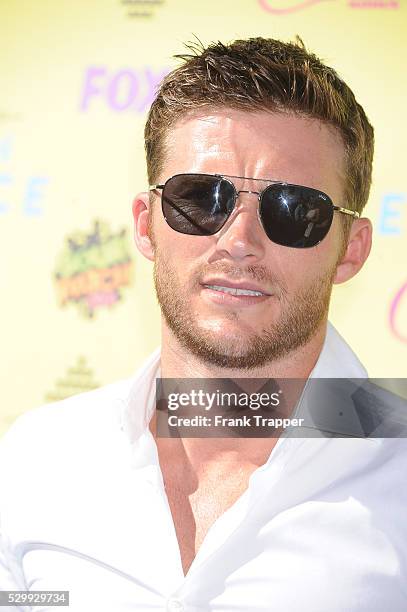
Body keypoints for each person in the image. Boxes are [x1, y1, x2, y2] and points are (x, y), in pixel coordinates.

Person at [1, 36, 406, 612]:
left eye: (293, 210)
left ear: (351, 249)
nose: (238, 241)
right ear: (146, 226)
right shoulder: (38, 458)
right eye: (200, 199)